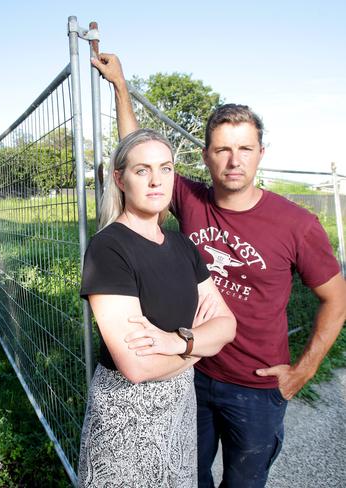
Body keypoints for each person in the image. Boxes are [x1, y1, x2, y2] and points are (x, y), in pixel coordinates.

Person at [92, 53, 346, 488]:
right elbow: (138, 154)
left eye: (245, 148)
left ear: (260, 153)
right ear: (206, 156)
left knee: (244, 482)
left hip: (256, 385)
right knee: (189, 477)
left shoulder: (297, 224)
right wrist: (120, 86)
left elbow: (336, 300)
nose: (234, 160)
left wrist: (302, 371)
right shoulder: (190, 200)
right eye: (223, 149)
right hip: (192, 376)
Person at [78, 128, 236, 487]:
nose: (156, 181)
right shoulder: (109, 248)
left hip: (180, 408)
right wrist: (201, 345)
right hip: (126, 421)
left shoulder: (183, 245)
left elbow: (228, 325)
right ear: (119, 178)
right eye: (142, 170)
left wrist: (177, 342)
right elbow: (136, 366)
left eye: (165, 169)